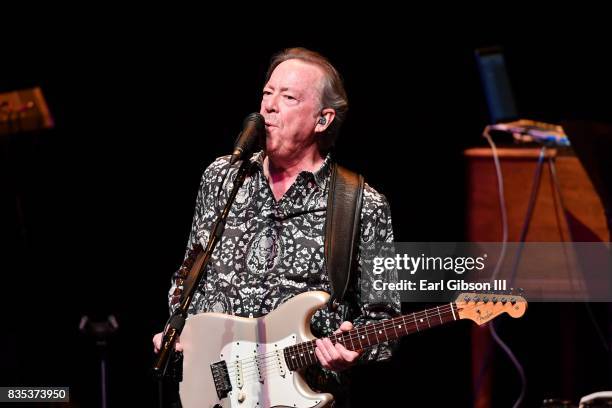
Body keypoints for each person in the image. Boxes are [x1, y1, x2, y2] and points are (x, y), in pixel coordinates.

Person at [153, 47, 400, 406]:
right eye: (267, 93)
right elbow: (188, 275)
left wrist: (354, 350)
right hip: (211, 392)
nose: (268, 105)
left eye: (288, 97)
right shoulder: (221, 177)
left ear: (322, 119)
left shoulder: (363, 205)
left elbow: (384, 320)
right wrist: (180, 329)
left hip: (299, 396)